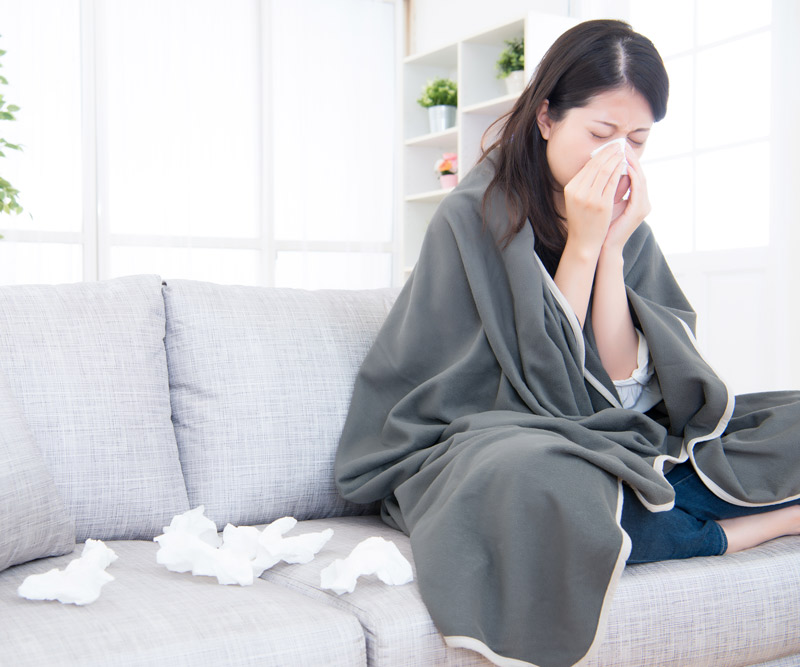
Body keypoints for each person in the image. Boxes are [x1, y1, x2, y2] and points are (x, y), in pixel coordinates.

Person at [334, 19, 800, 667]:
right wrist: (579, 243)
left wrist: (608, 244)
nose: (621, 159)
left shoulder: (621, 215)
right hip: (483, 433)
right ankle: (766, 522)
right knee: (545, 484)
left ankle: (645, 512)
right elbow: (548, 393)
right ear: (548, 116)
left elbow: (617, 382)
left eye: (639, 141)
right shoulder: (473, 214)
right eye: (602, 135)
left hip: (605, 428)